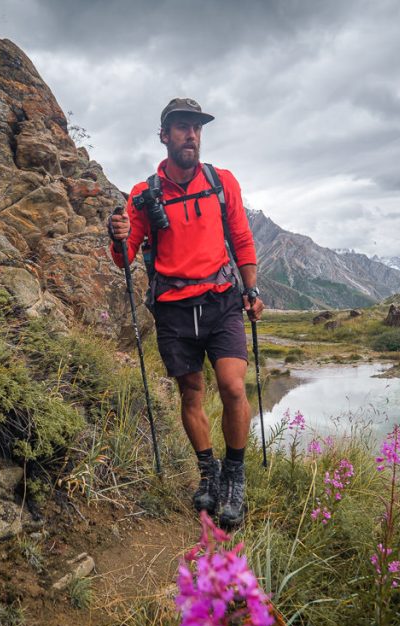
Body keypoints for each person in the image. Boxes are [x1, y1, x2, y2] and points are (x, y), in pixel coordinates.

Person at [107, 97, 264, 529]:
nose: (190, 134)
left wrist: (251, 290)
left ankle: (234, 479)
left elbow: (242, 239)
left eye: (196, 127)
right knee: (190, 394)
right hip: (173, 309)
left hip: (221, 301)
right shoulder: (143, 194)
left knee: (233, 387)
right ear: (164, 135)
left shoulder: (222, 182)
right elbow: (125, 257)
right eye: (181, 127)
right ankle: (208, 474)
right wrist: (116, 234)